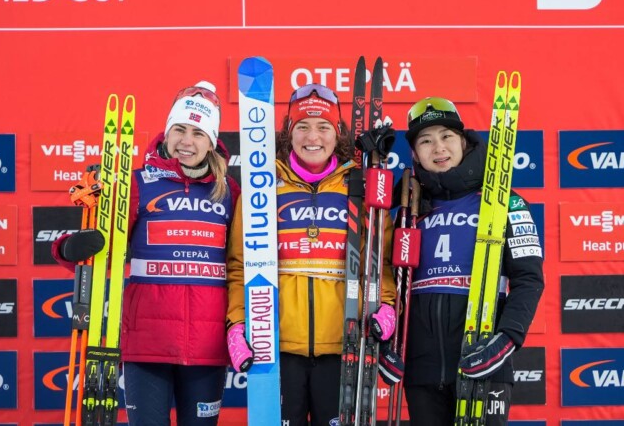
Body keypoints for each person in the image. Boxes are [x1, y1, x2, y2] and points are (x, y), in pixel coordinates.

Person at [52, 82, 240, 425]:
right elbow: (104, 246)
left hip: (207, 346)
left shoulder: (229, 193)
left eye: (198, 133)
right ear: (167, 133)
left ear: (211, 141)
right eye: (179, 130)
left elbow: (241, 262)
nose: (186, 141)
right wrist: (69, 247)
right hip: (147, 342)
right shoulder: (137, 184)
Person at [225, 84, 397, 425]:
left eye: (323, 127)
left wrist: (386, 306)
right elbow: (240, 265)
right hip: (276, 346)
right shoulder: (263, 188)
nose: (312, 136)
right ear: (290, 133)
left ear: (338, 134)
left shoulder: (358, 188)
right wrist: (237, 322)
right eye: (302, 126)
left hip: (345, 344)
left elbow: (380, 261)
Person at [400, 97, 544, 426]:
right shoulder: (409, 208)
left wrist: (506, 339)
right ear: (415, 153)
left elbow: (529, 279)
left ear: (463, 141)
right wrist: (391, 344)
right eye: (425, 140)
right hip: (422, 370)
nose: (438, 147)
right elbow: (394, 280)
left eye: (446, 136)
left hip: (483, 360)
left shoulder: (506, 201)